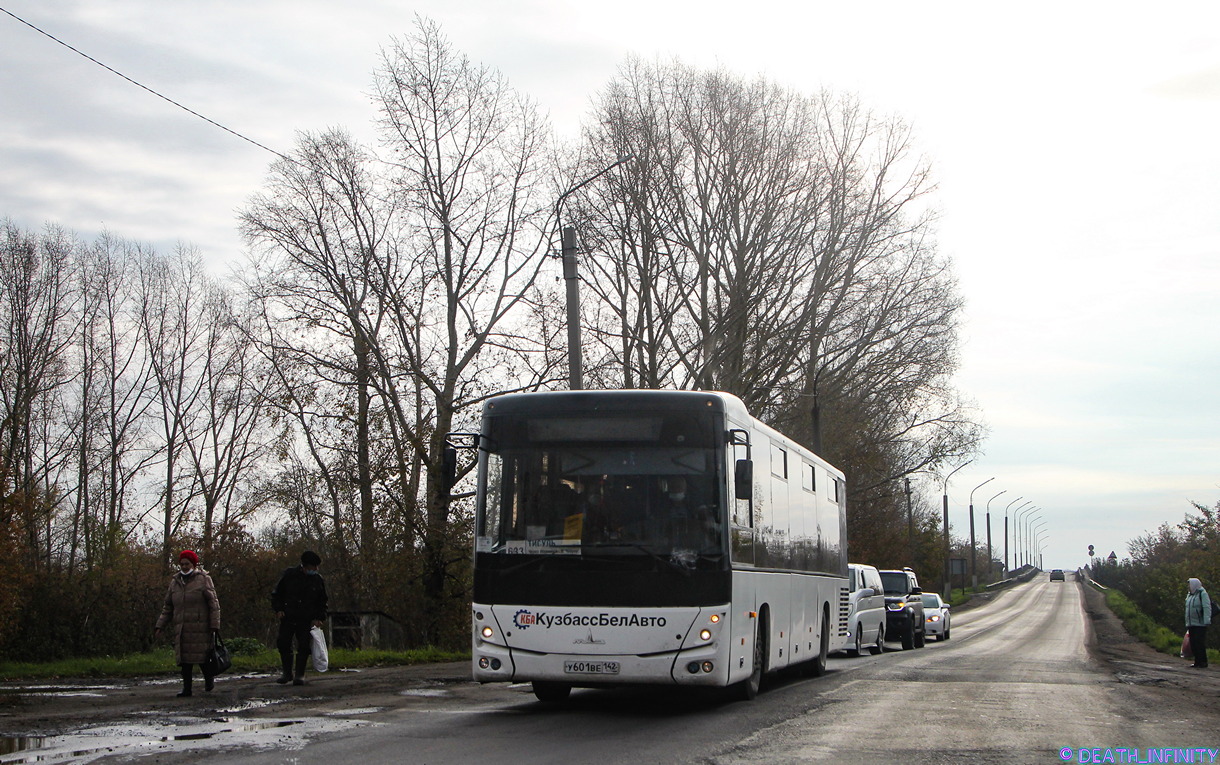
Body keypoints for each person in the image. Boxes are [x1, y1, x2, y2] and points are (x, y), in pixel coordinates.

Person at [154, 550, 221, 697]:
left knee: (203, 658)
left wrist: (214, 625)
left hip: (201, 628)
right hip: (182, 628)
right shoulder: (175, 582)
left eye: (187, 564)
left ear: (193, 564)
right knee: (185, 661)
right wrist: (160, 625)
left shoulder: (204, 579)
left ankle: (209, 680)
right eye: (182, 564)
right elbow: (168, 606)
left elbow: (213, 604)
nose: (184, 566)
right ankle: (187, 689)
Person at [271, 550, 328, 685]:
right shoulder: (289, 575)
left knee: (304, 646)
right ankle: (287, 673)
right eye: (313, 567)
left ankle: (299, 674)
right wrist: (278, 609)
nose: (316, 569)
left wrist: (320, 617)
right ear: (305, 566)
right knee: (284, 643)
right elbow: (277, 593)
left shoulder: (317, 580)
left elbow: (322, 600)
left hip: (306, 618)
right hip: (288, 616)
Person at [1185, 577, 1211, 669]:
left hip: (1200, 623)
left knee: (1199, 643)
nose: (1188, 586)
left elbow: (1206, 607)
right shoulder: (1189, 595)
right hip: (1191, 623)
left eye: (1189, 584)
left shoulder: (1202, 594)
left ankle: (1203, 662)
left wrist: (1207, 620)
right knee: (1193, 643)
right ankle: (1197, 661)